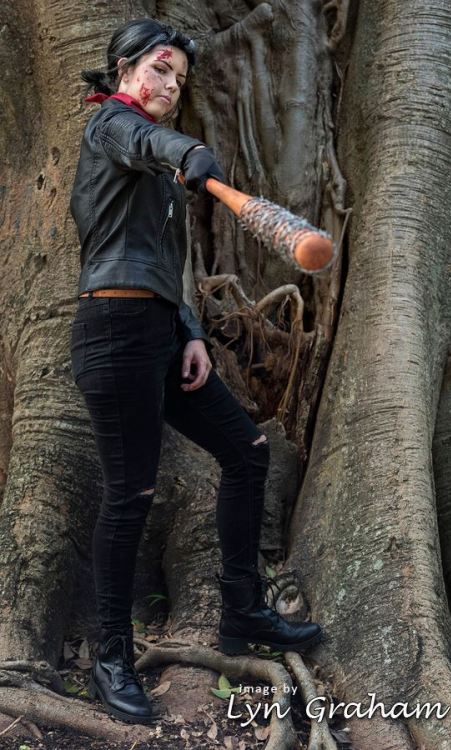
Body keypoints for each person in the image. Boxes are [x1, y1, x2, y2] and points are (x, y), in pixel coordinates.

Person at [69, 17, 323, 726]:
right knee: (131, 495)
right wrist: (192, 152)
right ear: (123, 69)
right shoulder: (110, 128)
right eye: (158, 68)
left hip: (157, 332)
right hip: (112, 334)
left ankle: (243, 611)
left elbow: (158, 258)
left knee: (246, 453)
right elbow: (150, 141)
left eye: (178, 78)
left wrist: (186, 331)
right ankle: (112, 654)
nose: (169, 85)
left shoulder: (157, 174)